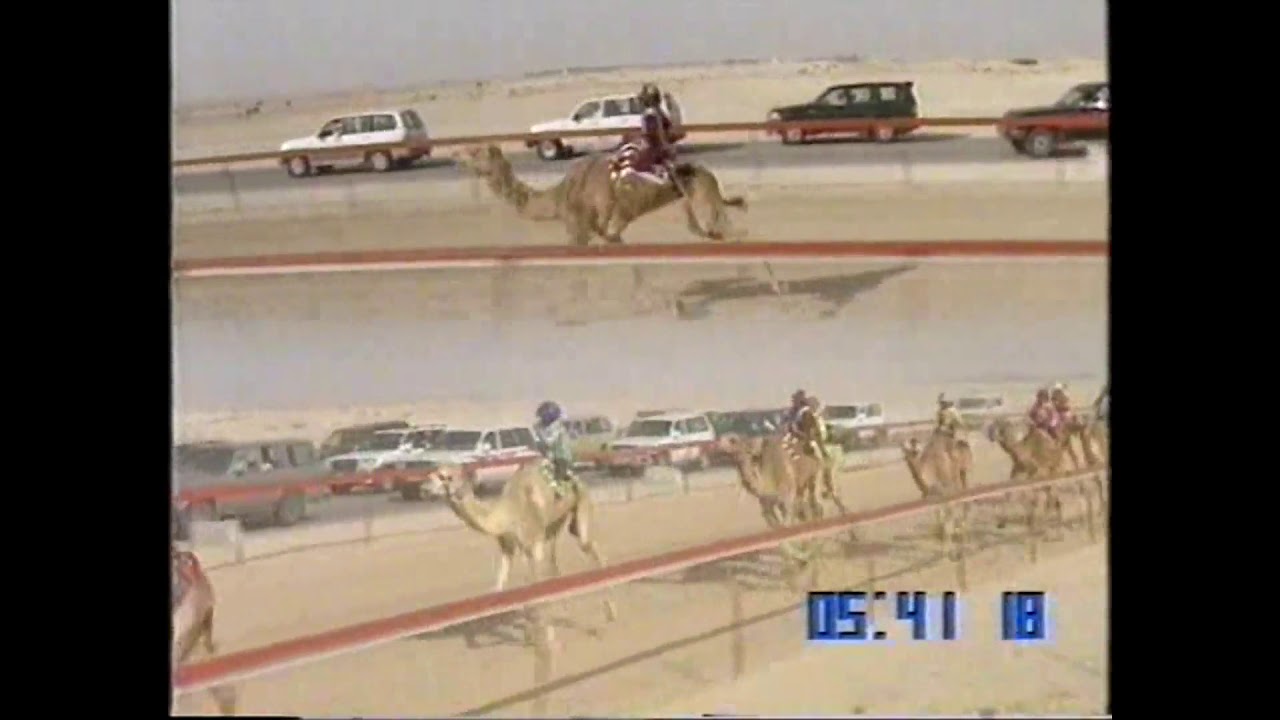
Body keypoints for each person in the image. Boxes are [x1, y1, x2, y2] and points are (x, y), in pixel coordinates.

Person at [608, 82, 678, 187]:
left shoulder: (651, 114)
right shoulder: (658, 113)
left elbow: (654, 134)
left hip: (654, 149)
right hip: (657, 149)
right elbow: (660, 133)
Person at [533, 400, 578, 496]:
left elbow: (549, 441)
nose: (542, 419)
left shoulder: (558, 427)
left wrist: (540, 437)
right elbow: (538, 442)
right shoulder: (541, 427)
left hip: (561, 456)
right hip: (548, 457)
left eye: (544, 416)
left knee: (558, 477)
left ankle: (560, 493)